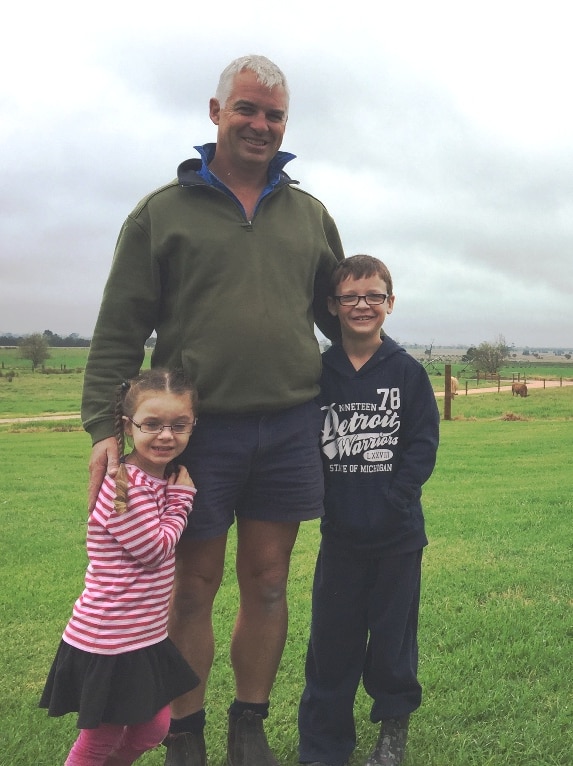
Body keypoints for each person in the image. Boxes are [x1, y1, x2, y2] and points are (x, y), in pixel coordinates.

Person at [80, 54, 345, 766]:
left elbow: (338, 310)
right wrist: (106, 429)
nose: (260, 124)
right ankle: (185, 733)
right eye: (247, 109)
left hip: (290, 427)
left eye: (274, 114)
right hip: (193, 436)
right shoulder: (161, 213)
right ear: (215, 111)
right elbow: (119, 326)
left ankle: (248, 726)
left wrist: (382, 368)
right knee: (191, 585)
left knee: (266, 580)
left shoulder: (310, 215)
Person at [297, 255, 440, 766]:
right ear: (333, 306)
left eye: (374, 296)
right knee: (331, 646)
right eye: (351, 297)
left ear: (390, 304)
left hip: (398, 539)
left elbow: (422, 445)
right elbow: (305, 446)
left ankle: (392, 734)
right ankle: (323, 746)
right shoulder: (318, 373)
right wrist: (323, 501)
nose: (363, 305)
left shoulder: (406, 372)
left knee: (392, 644)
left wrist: (396, 500)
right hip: (340, 538)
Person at [40, 369, 200, 766]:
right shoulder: (122, 485)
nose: (166, 435)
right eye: (152, 424)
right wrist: (182, 501)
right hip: (109, 638)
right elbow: (154, 549)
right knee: (98, 742)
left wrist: (173, 492)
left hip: (143, 636)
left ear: (194, 425)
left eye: (179, 425)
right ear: (128, 426)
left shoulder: (158, 478)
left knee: (154, 728)